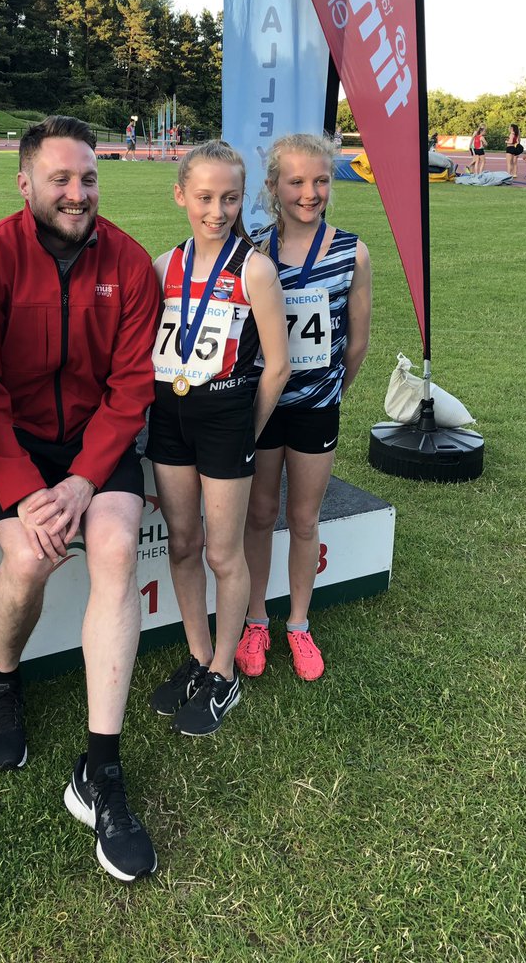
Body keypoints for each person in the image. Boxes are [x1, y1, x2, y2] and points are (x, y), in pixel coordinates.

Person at [0, 115, 161, 883]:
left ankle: (99, 773)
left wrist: (84, 478)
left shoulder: (131, 262)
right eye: (61, 180)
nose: (79, 194)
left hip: (96, 446)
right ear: (25, 184)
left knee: (112, 547)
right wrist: (23, 489)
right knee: (33, 557)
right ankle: (1, 683)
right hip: (15, 443)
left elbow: (132, 383)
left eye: (89, 178)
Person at [145, 140, 290, 736]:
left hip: (228, 417)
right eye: (204, 197)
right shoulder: (163, 266)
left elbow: (277, 366)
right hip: (169, 414)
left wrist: (244, 433)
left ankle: (225, 673)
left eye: (229, 198)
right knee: (182, 543)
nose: (217, 209)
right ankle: (200, 656)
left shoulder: (254, 267)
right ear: (181, 195)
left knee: (221, 553)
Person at [235, 133, 372, 683]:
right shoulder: (255, 251)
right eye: (296, 181)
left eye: (319, 181)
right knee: (260, 513)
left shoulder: (353, 251)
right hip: (266, 404)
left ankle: (297, 623)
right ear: (273, 187)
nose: (309, 193)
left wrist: (335, 391)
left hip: (317, 406)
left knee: (304, 517)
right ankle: (254, 620)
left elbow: (357, 340)